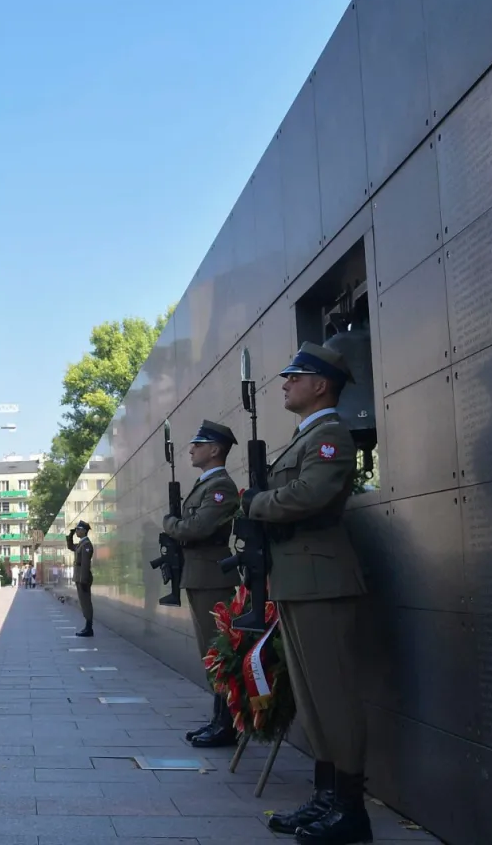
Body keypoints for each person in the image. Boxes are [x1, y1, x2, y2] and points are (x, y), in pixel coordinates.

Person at [242, 342, 368, 845]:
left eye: (295, 376)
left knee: (334, 697)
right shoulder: (305, 437)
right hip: (297, 580)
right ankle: (327, 798)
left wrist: (257, 502)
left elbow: (312, 494)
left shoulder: (332, 434)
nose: (285, 383)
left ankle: (351, 810)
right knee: (314, 701)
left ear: (321, 385)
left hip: (323, 581)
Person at [161, 420, 241, 749]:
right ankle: (219, 719)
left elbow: (197, 528)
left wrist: (171, 523)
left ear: (215, 449)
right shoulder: (205, 485)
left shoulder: (220, 487)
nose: (191, 449)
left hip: (211, 577)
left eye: (199, 443)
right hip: (199, 575)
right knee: (210, 652)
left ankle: (227, 725)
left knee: (218, 651)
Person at [66, 522, 94, 637]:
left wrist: (83, 580)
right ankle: (87, 626)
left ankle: (89, 628)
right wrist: (70, 536)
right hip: (80, 578)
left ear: (84, 531)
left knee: (86, 602)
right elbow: (71, 547)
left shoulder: (86, 544)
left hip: (83, 579)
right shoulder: (81, 544)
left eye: (78, 529)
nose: (77, 531)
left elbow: (85, 565)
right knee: (84, 602)